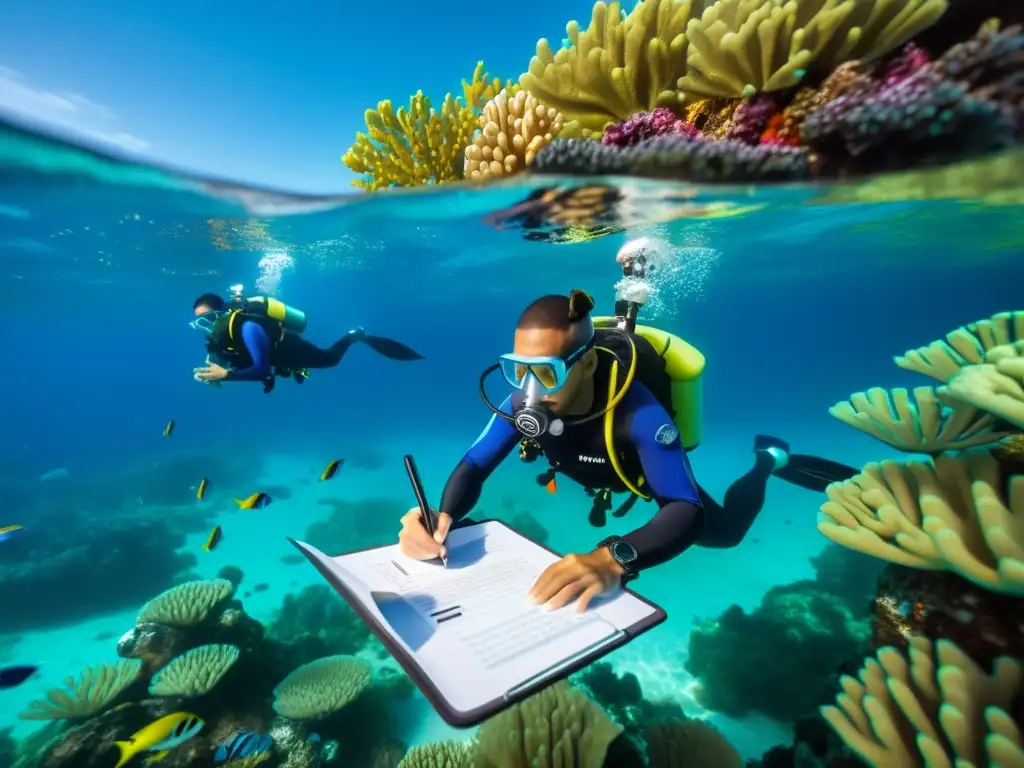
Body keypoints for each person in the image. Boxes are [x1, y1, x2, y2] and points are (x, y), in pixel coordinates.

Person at [397, 285, 858, 614]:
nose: (530, 389)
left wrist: (613, 557)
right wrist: (444, 517)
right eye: (517, 369)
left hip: (639, 475)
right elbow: (474, 465)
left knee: (729, 532)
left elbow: (683, 508)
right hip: (596, 474)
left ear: (589, 361)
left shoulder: (639, 413)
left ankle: (766, 462)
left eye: (548, 372)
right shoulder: (519, 400)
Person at [191, 289, 424, 393]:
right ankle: (294, 369)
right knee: (290, 371)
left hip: (289, 348)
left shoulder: (248, 327)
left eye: (208, 319)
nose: (206, 326)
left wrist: (226, 376)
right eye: (199, 323)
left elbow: (260, 369)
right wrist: (208, 373)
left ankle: (355, 336)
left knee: (329, 360)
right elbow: (216, 354)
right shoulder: (218, 333)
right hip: (274, 357)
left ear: (222, 313)